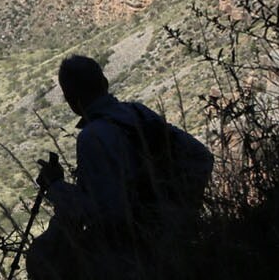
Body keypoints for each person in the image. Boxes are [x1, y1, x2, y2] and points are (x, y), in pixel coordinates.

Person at [28, 54, 213, 280]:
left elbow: (99, 211)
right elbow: (201, 157)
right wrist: (181, 208)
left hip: (129, 259)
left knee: (43, 255)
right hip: (171, 240)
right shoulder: (138, 113)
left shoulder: (92, 137)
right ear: (105, 83)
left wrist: (55, 186)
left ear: (70, 100)